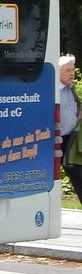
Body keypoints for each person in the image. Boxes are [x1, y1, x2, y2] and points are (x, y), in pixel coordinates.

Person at [59, 54, 82, 190]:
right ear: (59, 71)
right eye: (68, 71)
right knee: (75, 173)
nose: (72, 73)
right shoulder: (54, 90)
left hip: (73, 138)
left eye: (73, 70)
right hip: (59, 139)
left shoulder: (71, 88)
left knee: (78, 173)